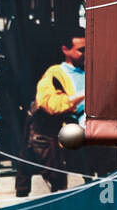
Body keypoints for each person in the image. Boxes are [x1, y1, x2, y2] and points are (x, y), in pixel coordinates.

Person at [15, 32, 85, 196]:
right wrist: (83, 95)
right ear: (65, 50)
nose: (86, 54)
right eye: (81, 50)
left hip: (87, 134)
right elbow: (51, 105)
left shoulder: (90, 71)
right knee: (60, 185)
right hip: (59, 138)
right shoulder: (54, 74)